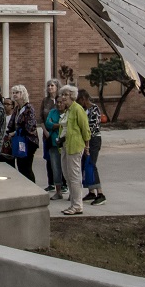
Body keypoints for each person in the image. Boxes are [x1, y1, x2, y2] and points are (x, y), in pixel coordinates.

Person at [58, 84, 91, 215]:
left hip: (75, 146)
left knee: (74, 175)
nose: (64, 97)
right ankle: (73, 203)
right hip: (65, 146)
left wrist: (87, 146)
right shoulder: (68, 110)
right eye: (62, 94)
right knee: (67, 174)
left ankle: (77, 205)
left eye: (66, 94)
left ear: (72, 95)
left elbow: (85, 129)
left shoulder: (77, 109)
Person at [6, 84, 40, 182]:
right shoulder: (16, 109)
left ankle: (33, 188)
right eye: (13, 93)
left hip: (29, 141)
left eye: (17, 92)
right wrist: (8, 133)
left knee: (26, 167)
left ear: (23, 94)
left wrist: (15, 132)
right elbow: (11, 124)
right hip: (19, 141)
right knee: (20, 166)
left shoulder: (29, 108)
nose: (15, 95)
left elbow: (30, 125)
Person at [78, 88, 106, 206]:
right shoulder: (82, 110)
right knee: (85, 165)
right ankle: (91, 191)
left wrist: (87, 142)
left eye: (79, 101)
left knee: (91, 164)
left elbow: (92, 127)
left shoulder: (94, 109)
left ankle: (100, 193)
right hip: (84, 140)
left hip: (93, 140)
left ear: (84, 99)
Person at [40, 78, 61, 191]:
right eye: (48, 86)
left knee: (59, 159)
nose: (50, 88)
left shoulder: (60, 100)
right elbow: (41, 118)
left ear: (57, 87)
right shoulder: (45, 101)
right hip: (47, 134)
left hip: (58, 135)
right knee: (49, 159)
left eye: (52, 86)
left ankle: (62, 183)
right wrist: (45, 131)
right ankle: (51, 183)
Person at [45, 94, 67, 200]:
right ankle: (58, 192)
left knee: (68, 169)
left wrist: (56, 124)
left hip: (66, 145)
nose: (59, 104)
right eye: (57, 102)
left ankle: (72, 191)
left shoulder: (68, 113)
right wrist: (60, 125)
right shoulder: (52, 112)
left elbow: (69, 125)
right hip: (54, 144)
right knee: (55, 168)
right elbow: (47, 123)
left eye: (61, 102)